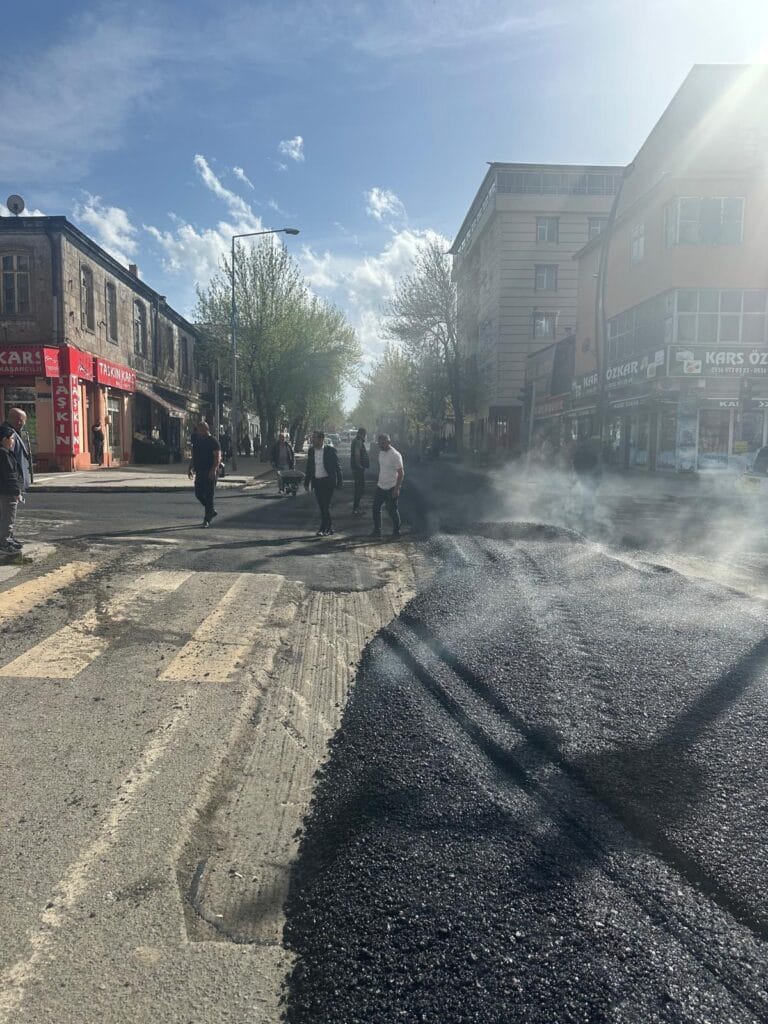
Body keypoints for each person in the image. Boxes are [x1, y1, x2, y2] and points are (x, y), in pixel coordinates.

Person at [304, 430, 343, 536]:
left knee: (325, 506)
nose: (313, 440)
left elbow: (337, 466)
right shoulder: (311, 451)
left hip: (328, 482)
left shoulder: (330, 450)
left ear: (321, 439)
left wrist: (340, 480)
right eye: (313, 438)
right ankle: (329, 527)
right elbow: (309, 467)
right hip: (317, 482)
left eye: (315, 438)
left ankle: (323, 528)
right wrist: (306, 482)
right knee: (322, 506)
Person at [2, 408, 33, 541]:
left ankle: (9, 537)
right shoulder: (7, 434)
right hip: (9, 485)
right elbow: (9, 466)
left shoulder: (13, 432)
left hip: (12, 483)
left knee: (9, 514)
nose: (24, 423)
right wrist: (16, 487)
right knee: (7, 513)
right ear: (19, 420)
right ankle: (5, 540)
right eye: (24, 420)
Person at [188, 420, 221, 527]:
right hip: (200, 470)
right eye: (197, 430)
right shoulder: (197, 441)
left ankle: (207, 519)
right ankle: (211, 510)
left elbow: (217, 457)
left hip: (210, 471)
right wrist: (190, 468)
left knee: (209, 495)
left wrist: (213, 470)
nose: (198, 432)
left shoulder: (213, 441)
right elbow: (194, 456)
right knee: (198, 493)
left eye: (199, 430)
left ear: (206, 429)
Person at [371, 433, 404, 540]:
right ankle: (377, 531)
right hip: (381, 486)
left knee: (392, 510)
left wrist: (397, 488)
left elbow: (401, 473)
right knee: (375, 507)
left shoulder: (395, 455)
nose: (381, 445)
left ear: (389, 442)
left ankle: (397, 532)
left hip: (391, 487)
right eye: (379, 443)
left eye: (383, 443)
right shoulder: (381, 453)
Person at [0, 424, 24, 553]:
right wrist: (16, 491)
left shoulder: (6, 453)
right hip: (7, 491)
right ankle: (5, 542)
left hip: (4, 490)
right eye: (12, 438)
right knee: (8, 516)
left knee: (5, 516)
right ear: (4, 439)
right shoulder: (4, 454)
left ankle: (8, 538)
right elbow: (10, 474)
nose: (13, 441)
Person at [350, 427, 369, 515]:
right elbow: (357, 454)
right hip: (358, 469)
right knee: (359, 488)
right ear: (363, 434)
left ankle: (357, 506)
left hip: (357, 468)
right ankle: (355, 508)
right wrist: (359, 466)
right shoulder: (358, 441)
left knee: (360, 488)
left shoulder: (357, 440)